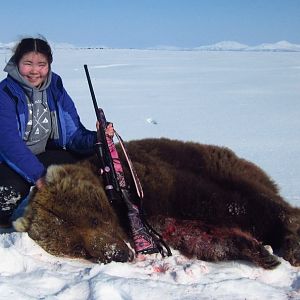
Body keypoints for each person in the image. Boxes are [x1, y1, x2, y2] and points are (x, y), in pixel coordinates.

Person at [0, 36, 158, 255]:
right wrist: (40, 176)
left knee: (87, 169)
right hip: (9, 160)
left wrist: (98, 139)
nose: (34, 71)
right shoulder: (5, 93)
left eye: (41, 64)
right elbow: (8, 143)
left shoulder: (55, 89)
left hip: (45, 153)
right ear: (17, 63)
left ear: (49, 65)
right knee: (5, 199)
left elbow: (73, 134)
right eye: (28, 63)